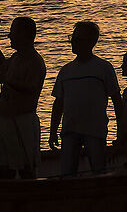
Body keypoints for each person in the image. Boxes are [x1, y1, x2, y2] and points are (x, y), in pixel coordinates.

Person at [48, 20, 119, 176]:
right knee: (67, 174)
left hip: (95, 130)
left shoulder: (103, 68)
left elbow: (117, 101)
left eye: (77, 39)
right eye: (72, 38)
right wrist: (53, 131)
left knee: (99, 171)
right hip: (69, 131)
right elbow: (58, 103)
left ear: (91, 42)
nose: (72, 42)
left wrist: (120, 134)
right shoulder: (66, 71)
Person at [0, 13, 45, 178]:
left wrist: (8, 81)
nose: (10, 36)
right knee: (3, 166)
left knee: (26, 169)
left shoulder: (35, 61)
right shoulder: (16, 58)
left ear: (25, 35)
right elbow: (1, 66)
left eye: (13, 32)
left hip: (22, 121)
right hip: (4, 120)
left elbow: (31, 88)